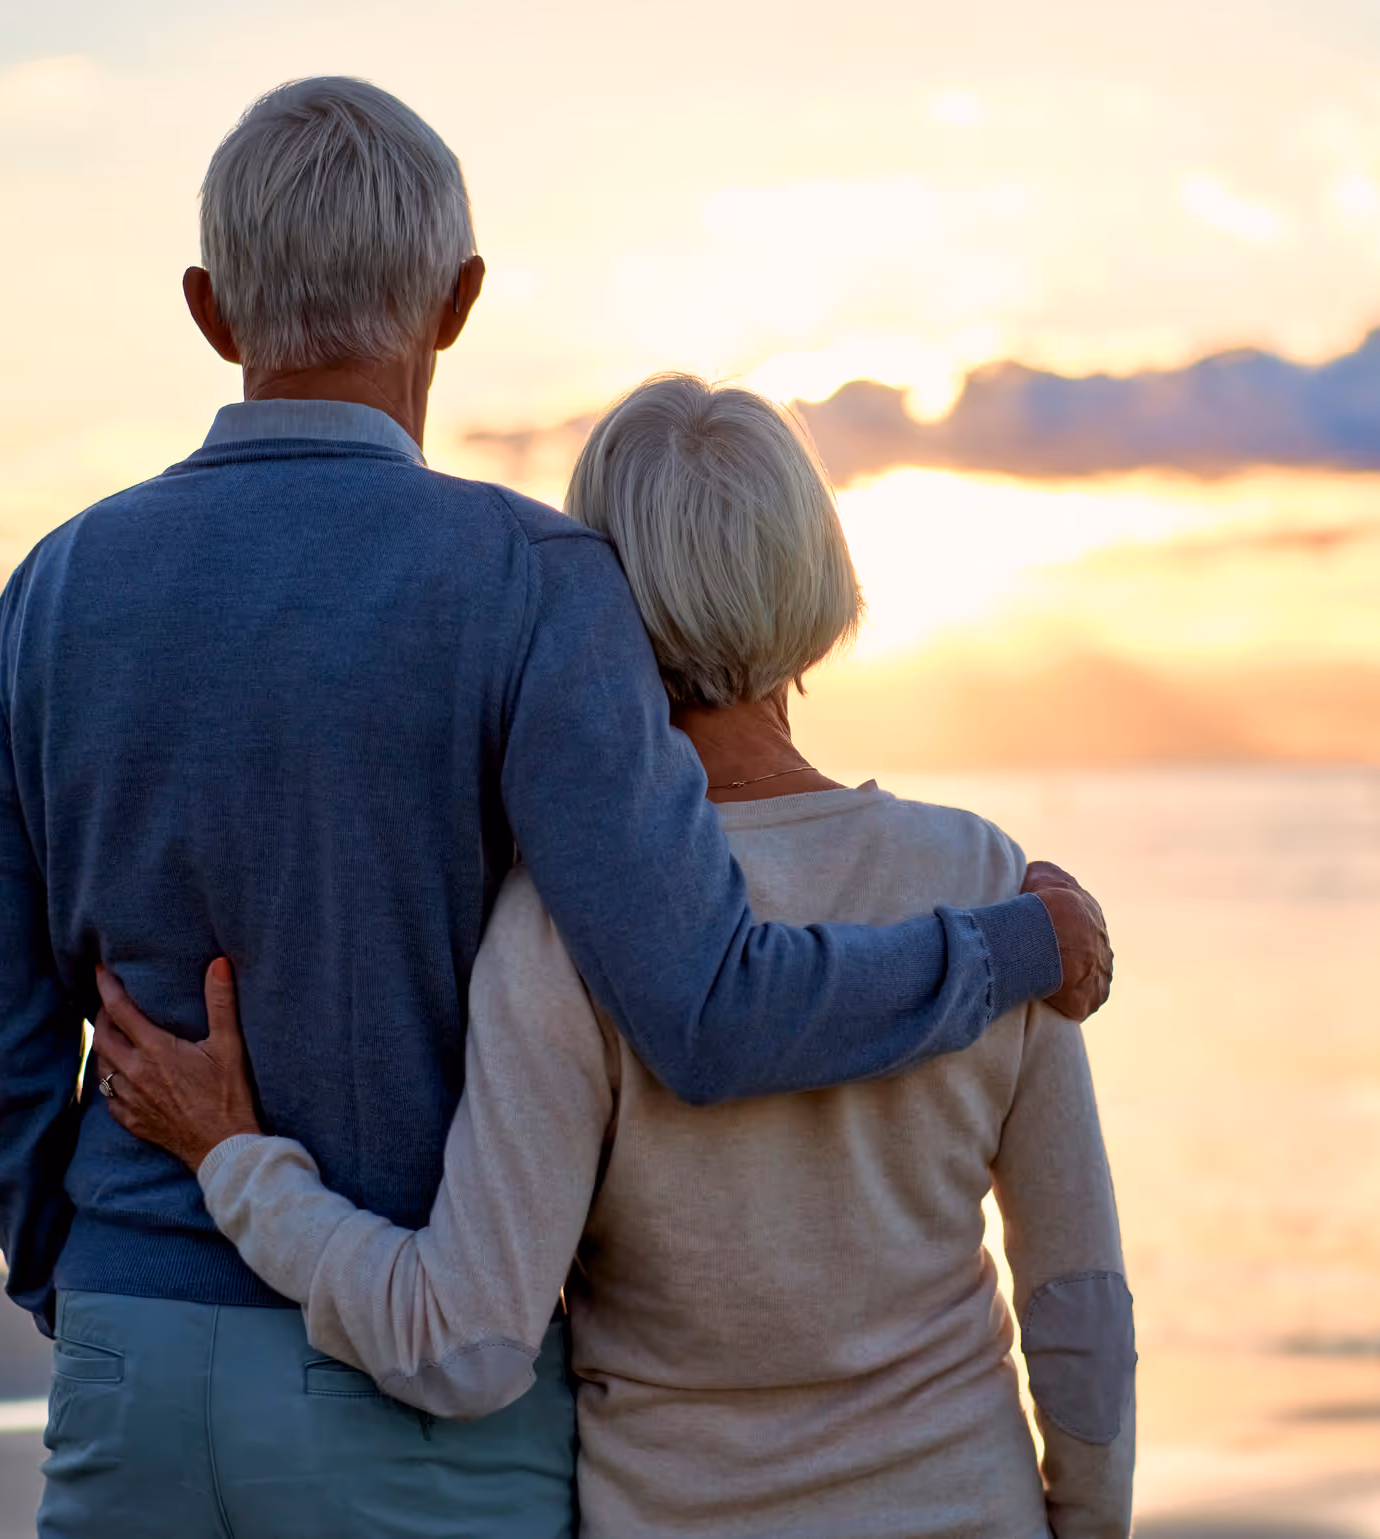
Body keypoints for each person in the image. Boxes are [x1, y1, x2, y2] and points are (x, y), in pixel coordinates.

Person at [0, 77, 1112, 1539]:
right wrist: (1011, 947)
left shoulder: (49, 591)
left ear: (208, 308)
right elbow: (701, 1002)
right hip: (411, 1399)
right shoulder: (533, 581)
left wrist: (88, 1281)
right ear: (458, 301)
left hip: (132, 1357)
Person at [91, 375, 1135, 1539]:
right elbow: (1076, 1304)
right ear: (818, 569)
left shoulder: (560, 923)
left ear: (600, 604)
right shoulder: (989, 885)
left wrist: (235, 1161)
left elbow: (464, 1342)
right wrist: (1084, 1521)